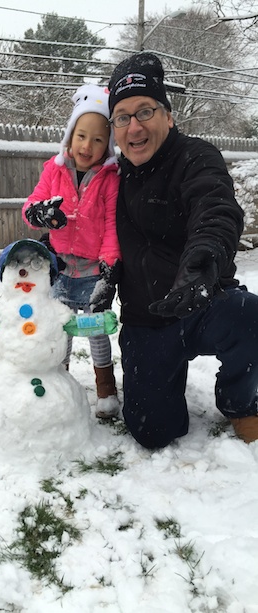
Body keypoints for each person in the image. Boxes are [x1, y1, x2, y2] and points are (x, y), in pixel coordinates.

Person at [102, 51, 258, 447]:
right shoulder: (112, 177)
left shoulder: (196, 156)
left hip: (202, 298)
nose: (134, 126)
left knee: (251, 316)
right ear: (115, 129)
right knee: (153, 433)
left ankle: (243, 402)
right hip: (145, 317)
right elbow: (82, 224)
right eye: (122, 117)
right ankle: (163, 383)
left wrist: (201, 261)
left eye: (145, 111)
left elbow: (216, 207)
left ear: (168, 116)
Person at [22, 84, 122, 419]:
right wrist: (38, 214)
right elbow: (31, 206)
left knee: (94, 331)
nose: (87, 145)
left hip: (93, 269)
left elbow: (111, 226)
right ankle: (59, 384)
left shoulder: (110, 178)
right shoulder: (54, 170)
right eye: (81, 135)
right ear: (70, 135)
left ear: (107, 144)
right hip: (61, 269)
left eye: (98, 139)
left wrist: (109, 268)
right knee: (61, 328)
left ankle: (105, 389)